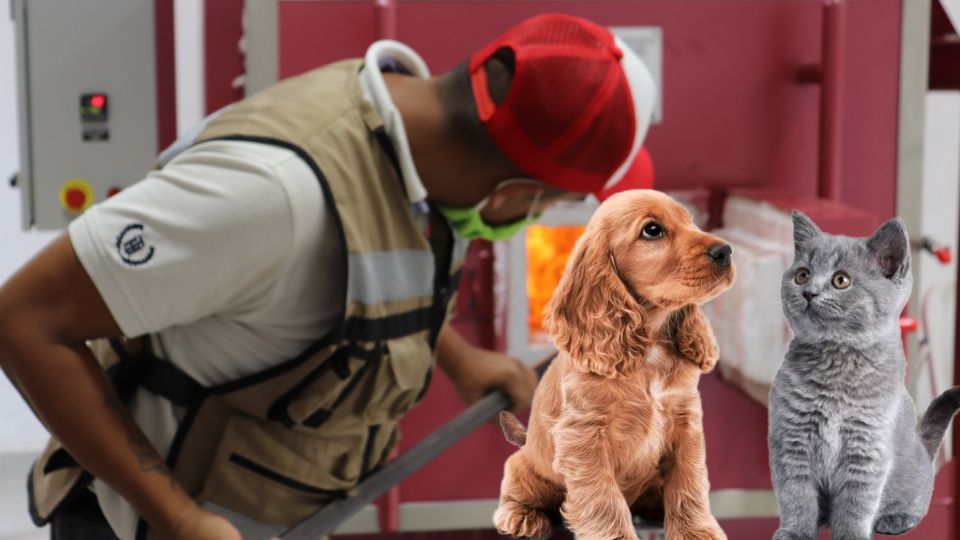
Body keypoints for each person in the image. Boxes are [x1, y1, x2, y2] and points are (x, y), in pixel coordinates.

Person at [0, 13, 655, 540]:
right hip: (140, 522)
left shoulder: (412, 139)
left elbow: (357, 273)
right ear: (513, 194)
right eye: (546, 206)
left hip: (267, 510)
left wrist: (458, 358)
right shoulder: (273, 195)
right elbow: (22, 319)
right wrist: (178, 520)